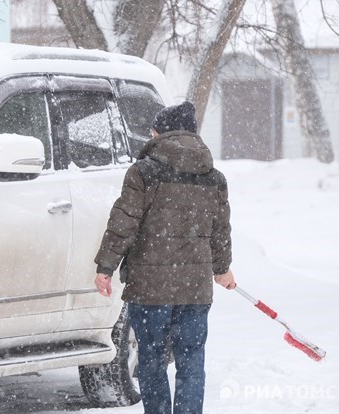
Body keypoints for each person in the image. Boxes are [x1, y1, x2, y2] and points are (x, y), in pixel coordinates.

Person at [93, 101, 236, 414]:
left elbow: (124, 222)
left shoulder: (143, 172)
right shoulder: (213, 177)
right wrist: (222, 269)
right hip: (194, 290)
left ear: (161, 133)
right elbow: (220, 229)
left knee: (153, 360)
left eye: (153, 130)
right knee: (191, 361)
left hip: (150, 288)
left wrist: (106, 266)